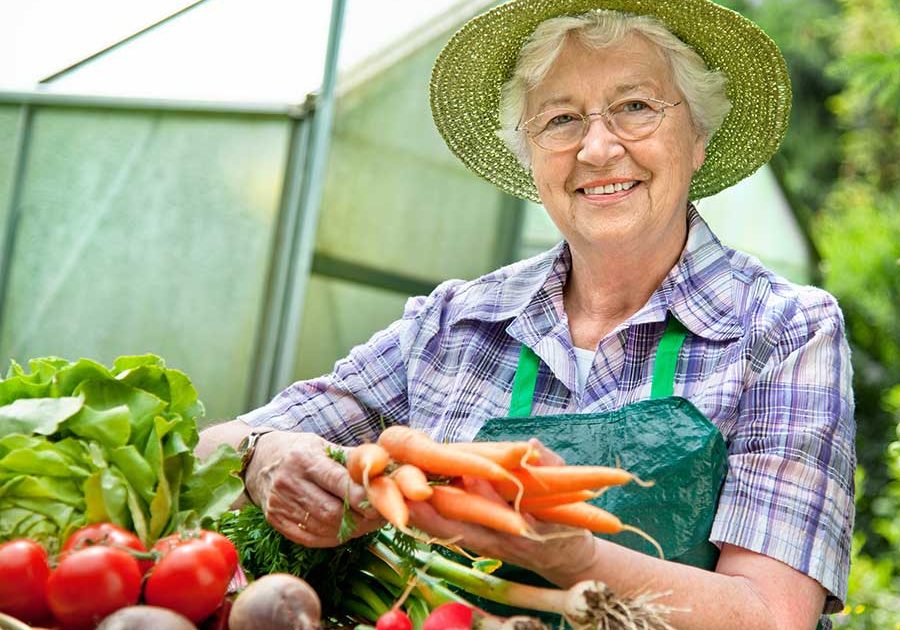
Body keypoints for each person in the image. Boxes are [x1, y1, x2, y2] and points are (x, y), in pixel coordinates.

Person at [197, 1, 856, 628]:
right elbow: (204, 451)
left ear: (698, 138)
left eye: (634, 107)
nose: (597, 149)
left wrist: (575, 559)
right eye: (561, 120)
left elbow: (773, 616)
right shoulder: (453, 323)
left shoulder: (784, 330)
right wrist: (265, 452)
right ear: (532, 155)